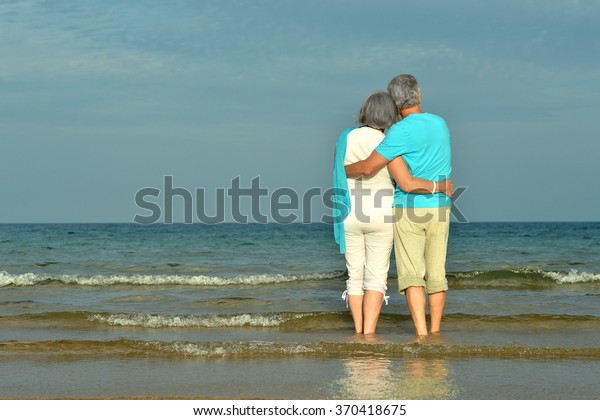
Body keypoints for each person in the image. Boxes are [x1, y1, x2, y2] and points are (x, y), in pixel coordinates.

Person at [333, 91, 452, 336]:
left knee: (354, 276)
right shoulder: (389, 142)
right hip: (382, 214)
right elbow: (403, 180)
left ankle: (358, 333)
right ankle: (369, 332)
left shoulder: (344, 138)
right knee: (376, 278)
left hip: (350, 214)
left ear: (364, 111)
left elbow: (339, 172)